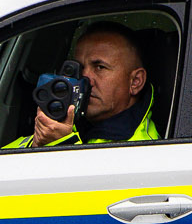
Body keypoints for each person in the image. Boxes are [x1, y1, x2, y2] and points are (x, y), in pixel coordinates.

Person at [9, 22, 160, 148]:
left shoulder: (142, 150)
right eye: (79, 68)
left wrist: (61, 146)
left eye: (100, 67)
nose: (85, 79)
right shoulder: (62, 125)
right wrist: (38, 144)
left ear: (135, 82)